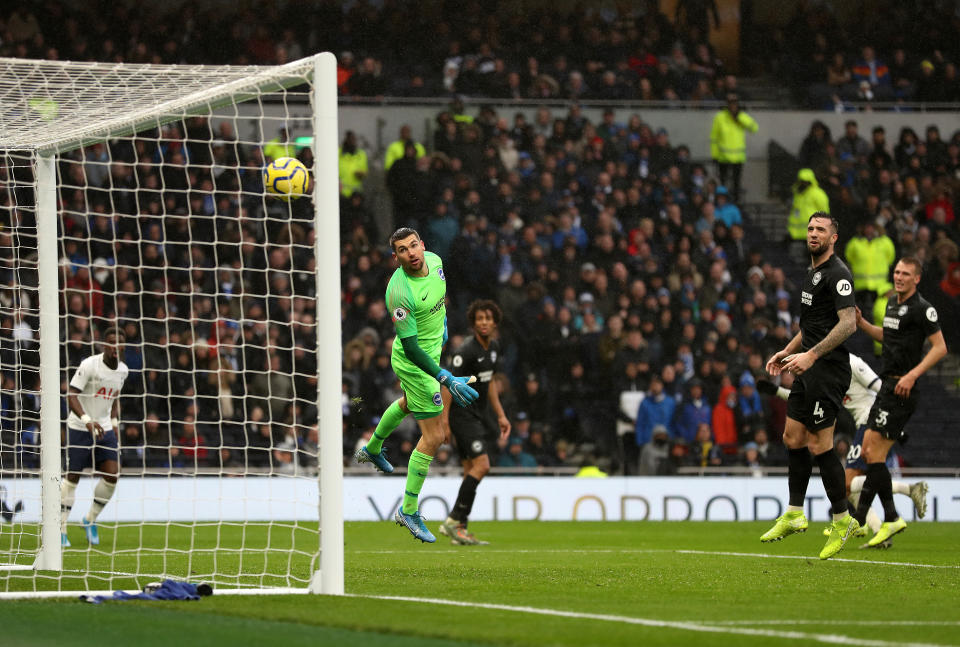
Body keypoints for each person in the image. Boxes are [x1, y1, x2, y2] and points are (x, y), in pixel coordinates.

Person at [354, 228, 478, 543]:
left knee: (409, 404)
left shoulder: (436, 262)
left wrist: (445, 325)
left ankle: (372, 448)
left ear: (422, 245)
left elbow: (439, 301)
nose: (411, 253)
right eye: (402, 250)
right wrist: (445, 377)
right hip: (416, 363)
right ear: (395, 257)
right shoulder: (399, 292)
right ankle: (408, 509)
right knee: (435, 436)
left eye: (413, 245)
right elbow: (411, 348)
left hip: (433, 351)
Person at [761, 212, 860, 560]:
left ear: (834, 237)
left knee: (820, 445)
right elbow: (814, 324)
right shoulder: (812, 273)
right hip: (809, 366)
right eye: (810, 228)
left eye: (821, 230)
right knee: (792, 437)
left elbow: (849, 324)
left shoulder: (838, 275)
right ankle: (794, 512)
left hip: (828, 370)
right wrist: (788, 350)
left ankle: (843, 518)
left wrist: (812, 355)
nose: (813, 233)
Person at [758, 351, 930, 547]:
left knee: (847, 482)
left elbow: (881, 388)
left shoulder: (853, 362)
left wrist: (893, 424)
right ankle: (884, 520)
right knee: (855, 482)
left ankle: (862, 521)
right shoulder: (825, 368)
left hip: (871, 421)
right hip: (863, 424)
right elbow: (805, 398)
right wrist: (776, 391)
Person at [849, 257, 947, 548]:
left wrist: (912, 375)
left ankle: (862, 520)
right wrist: (862, 323)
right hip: (888, 384)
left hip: (902, 389)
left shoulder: (923, 308)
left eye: (906, 273)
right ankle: (889, 518)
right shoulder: (892, 303)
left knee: (873, 454)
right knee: (868, 453)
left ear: (917, 278)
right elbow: (888, 337)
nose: (899, 277)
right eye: (896, 272)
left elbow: (941, 348)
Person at [438, 300, 511, 546]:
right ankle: (452, 519)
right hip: (462, 415)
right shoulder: (465, 351)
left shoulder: (494, 347)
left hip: (478, 415)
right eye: (479, 319)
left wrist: (500, 415)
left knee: (471, 470)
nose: (484, 322)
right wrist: (445, 422)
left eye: (488, 319)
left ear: (494, 322)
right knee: (483, 466)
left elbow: (488, 382)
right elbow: (448, 384)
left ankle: (459, 530)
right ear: (473, 322)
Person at [61, 327, 129, 547]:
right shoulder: (90, 365)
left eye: (118, 342)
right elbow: (71, 394)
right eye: (110, 342)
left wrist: (115, 424)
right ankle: (60, 528)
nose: (115, 346)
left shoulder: (123, 371)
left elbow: (115, 400)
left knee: (112, 475)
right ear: (104, 345)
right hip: (80, 426)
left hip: (105, 427)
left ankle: (89, 520)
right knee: (73, 477)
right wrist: (86, 419)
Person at [709, 93, 758, 203]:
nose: (733, 105)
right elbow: (714, 138)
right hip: (723, 157)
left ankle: (736, 203)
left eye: (735, 103)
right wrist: (715, 155)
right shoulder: (720, 117)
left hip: (738, 157)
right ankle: (721, 201)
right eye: (730, 103)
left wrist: (740, 117)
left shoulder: (742, 116)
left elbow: (754, 128)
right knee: (723, 183)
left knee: (736, 183)